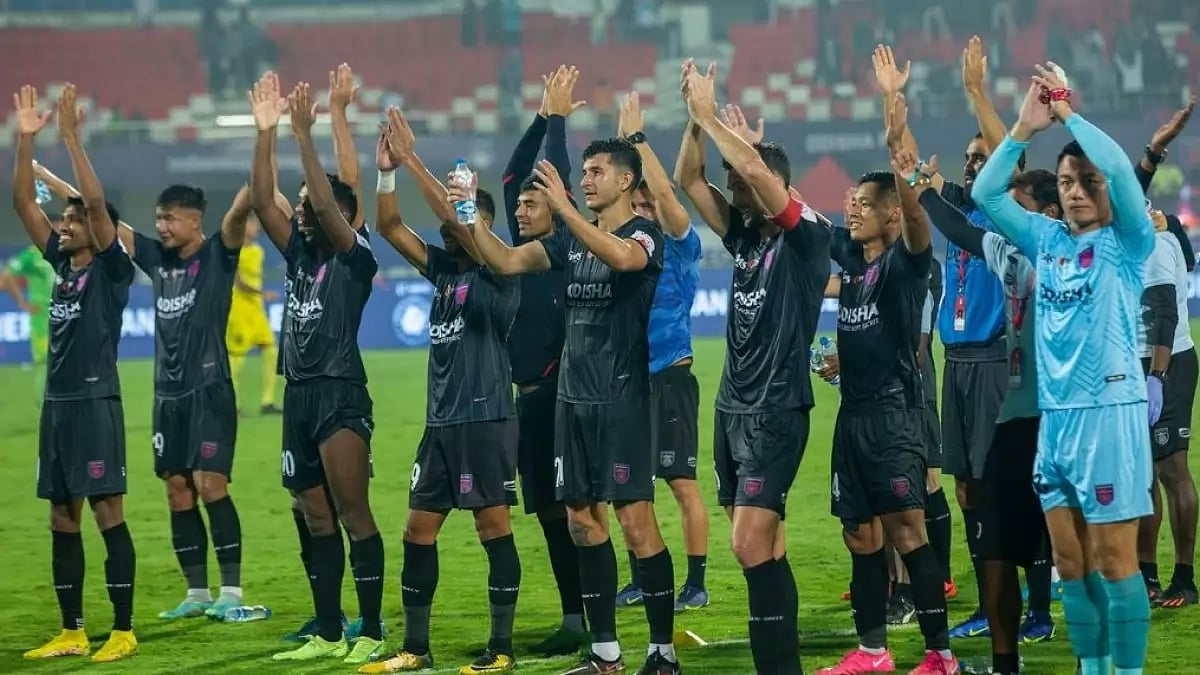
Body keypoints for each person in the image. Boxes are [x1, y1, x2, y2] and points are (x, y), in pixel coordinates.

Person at [463, 136, 680, 675]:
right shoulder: (569, 243)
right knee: (583, 524)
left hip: (622, 401)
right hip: (571, 403)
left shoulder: (644, 235)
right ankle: (605, 654)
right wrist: (467, 209)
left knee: (636, 524)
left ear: (625, 181)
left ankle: (662, 652)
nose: (585, 180)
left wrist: (563, 210)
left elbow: (623, 258)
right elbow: (507, 260)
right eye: (583, 172)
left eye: (596, 171)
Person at [973, 64, 1155, 675]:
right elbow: (985, 195)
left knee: (1113, 558)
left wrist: (1070, 114)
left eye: (1087, 181)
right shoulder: (1047, 240)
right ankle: (1093, 668)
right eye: (1069, 180)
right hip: (1056, 421)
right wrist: (1025, 128)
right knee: (1069, 561)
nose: (1076, 190)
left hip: (1109, 414)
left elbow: (1126, 173)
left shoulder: (1129, 243)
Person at [676, 60, 829, 674]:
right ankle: (781, 663)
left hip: (776, 409)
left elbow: (759, 175)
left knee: (744, 545)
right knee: (769, 545)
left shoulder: (806, 238)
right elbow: (690, 177)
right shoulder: (746, 238)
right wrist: (695, 121)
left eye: (739, 186)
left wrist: (716, 120)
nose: (731, 194)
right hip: (731, 409)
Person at [359, 109, 521, 675]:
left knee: (491, 527)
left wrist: (413, 161)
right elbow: (390, 228)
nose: (447, 229)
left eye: (458, 222)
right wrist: (385, 174)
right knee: (417, 529)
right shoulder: (446, 272)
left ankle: (501, 648)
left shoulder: (498, 270)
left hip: (485, 418)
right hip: (441, 422)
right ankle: (417, 649)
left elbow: (459, 220)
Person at [817, 91, 957, 675]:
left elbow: (920, 219)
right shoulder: (853, 269)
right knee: (859, 534)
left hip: (896, 419)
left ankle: (940, 655)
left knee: (907, 533)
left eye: (863, 204)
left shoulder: (905, 265)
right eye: (850, 204)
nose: (852, 211)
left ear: (891, 214)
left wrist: (898, 150)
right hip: (852, 421)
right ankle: (873, 651)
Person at [249, 76, 384, 664]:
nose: (299, 212)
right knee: (315, 516)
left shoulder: (356, 257)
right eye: (300, 205)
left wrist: (311, 129)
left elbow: (331, 201)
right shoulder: (300, 252)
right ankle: (330, 631)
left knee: (354, 514)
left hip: (339, 395)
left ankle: (373, 630)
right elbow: (260, 200)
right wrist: (266, 131)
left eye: (307, 206)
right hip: (298, 395)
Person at [918, 164, 1062, 675]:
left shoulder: (1057, 246)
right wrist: (917, 181)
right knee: (982, 509)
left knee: (1047, 514)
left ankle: (1048, 615)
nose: (973, 163)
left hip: (1033, 390)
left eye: (1013, 202)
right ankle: (1001, 643)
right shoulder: (994, 239)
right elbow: (956, 227)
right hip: (987, 388)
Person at [15, 83, 138, 663]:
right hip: (56, 407)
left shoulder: (112, 271)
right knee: (61, 516)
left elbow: (92, 201)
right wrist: (23, 140)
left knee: (106, 513)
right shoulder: (60, 266)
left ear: (97, 228)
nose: (62, 226)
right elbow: (22, 204)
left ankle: (122, 629)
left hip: (95, 405)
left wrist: (70, 138)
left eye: (72, 221)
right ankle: (72, 630)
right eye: (60, 221)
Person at [110, 181, 250, 622]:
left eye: (169, 218)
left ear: (194, 220)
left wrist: (265, 140)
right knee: (177, 491)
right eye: (157, 218)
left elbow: (243, 206)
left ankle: (231, 590)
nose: (161, 227)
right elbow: (102, 216)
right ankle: (196, 593)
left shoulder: (217, 254)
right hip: (166, 397)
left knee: (211, 486)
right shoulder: (158, 260)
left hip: (209, 391)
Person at [498, 65, 590, 654]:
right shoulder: (522, 251)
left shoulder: (565, 249)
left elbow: (547, 181)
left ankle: (595, 616)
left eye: (535, 203)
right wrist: (538, 118)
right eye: (522, 206)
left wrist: (558, 121)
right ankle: (575, 616)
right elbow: (511, 174)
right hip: (527, 402)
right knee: (553, 517)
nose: (522, 209)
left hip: (566, 399)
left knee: (581, 512)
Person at [612, 90, 711, 614]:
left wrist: (636, 141)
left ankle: (695, 582)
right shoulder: (628, 249)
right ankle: (640, 577)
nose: (647, 208)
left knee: (680, 482)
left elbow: (671, 198)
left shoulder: (680, 245)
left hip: (671, 376)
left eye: (650, 201)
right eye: (640, 202)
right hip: (629, 382)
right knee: (630, 486)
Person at [1131, 99, 1197, 607]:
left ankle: (1184, 577)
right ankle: (1147, 575)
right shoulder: (1138, 234)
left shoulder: (1154, 243)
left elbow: (1166, 314)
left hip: (1166, 359)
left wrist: (1156, 376)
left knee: (1172, 469)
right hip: (1138, 362)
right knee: (1144, 472)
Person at [226, 216, 282, 416]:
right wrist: (262, 293)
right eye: (253, 225)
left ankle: (267, 402)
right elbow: (239, 282)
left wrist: (260, 295)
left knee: (270, 351)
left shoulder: (258, 251)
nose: (257, 228)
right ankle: (231, 404)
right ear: (243, 227)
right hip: (239, 310)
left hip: (257, 310)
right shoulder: (233, 251)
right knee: (237, 358)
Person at [1, 241, 55, 403]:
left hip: (67, 314)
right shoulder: (32, 255)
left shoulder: (66, 251)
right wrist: (21, 302)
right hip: (42, 318)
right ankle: (48, 407)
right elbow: (6, 276)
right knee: (47, 364)